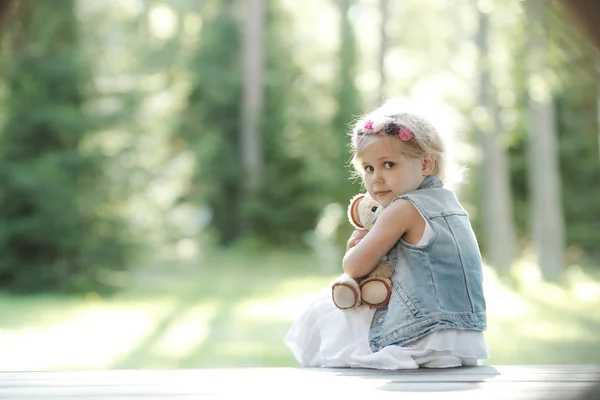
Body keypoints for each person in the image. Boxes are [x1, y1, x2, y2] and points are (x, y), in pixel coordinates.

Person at [285, 103, 489, 369]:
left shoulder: (403, 208)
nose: (376, 179)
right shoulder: (451, 204)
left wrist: (353, 245)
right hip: (465, 336)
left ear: (426, 163)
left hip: (423, 332)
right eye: (369, 168)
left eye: (389, 165)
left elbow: (354, 266)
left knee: (325, 308)